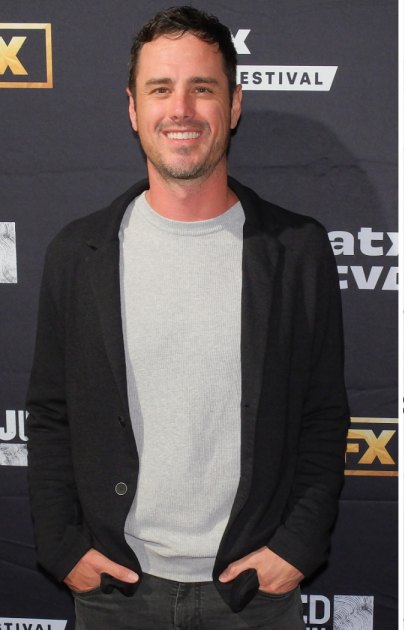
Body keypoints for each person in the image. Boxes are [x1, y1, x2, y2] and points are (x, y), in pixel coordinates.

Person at [25, 6, 349, 629]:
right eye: (160, 89)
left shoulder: (297, 251)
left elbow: (322, 412)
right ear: (132, 108)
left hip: (252, 594)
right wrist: (63, 547)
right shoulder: (78, 253)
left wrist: (297, 547)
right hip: (115, 592)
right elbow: (50, 413)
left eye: (202, 88)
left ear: (233, 105)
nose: (181, 109)